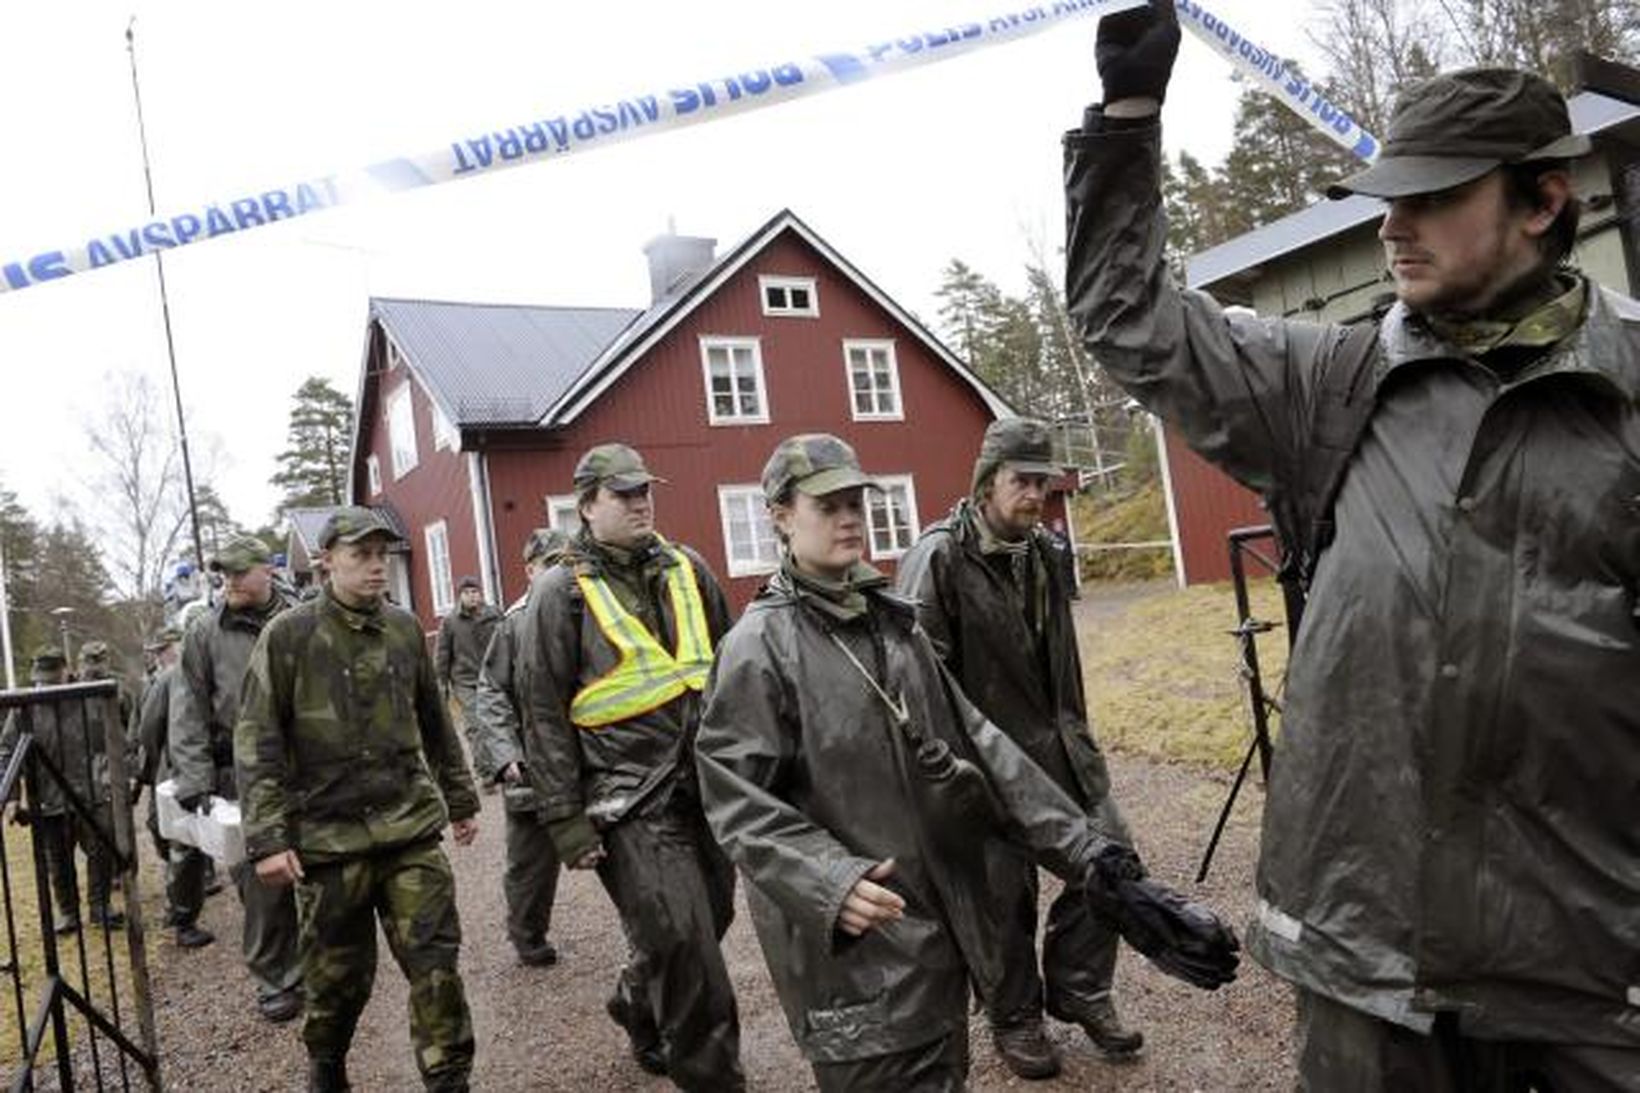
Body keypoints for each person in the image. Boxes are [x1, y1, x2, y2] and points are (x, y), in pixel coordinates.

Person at [1066, 4, 1640, 1087]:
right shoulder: (1318, 386)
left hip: (1592, 957)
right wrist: (1125, 119)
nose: (1390, 227)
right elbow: (1129, 317)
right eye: (1383, 199)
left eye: (1428, 197)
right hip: (1372, 956)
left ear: (1542, 199)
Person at [696, 434, 1239, 1092]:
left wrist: (1096, 863)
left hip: (933, 942)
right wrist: (828, 880)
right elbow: (734, 799)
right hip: (854, 963)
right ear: (780, 515)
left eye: (854, 502)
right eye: (826, 504)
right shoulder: (757, 648)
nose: (848, 517)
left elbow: (982, 745)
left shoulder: (891, 628)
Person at [896, 417, 1140, 1078]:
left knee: (1113, 859)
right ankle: (1014, 1014)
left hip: (1058, 749)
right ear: (984, 483)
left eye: (1042, 481)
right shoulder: (939, 558)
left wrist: (1081, 746)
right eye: (1021, 481)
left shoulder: (1044, 551)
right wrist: (962, 777)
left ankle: (1080, 986)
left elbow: (1062, 664)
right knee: (1003, 894)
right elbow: (922, 682)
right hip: (986, 765)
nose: (1035, 494)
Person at [517, 443, 742, 1090]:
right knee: (687, 946)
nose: (641, 500)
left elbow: (730, 669)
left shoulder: (688, 567)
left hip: (703, 784)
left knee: (711, 918)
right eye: (624, 492)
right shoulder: (560, 592)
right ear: (586, 506)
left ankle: (635, 1000)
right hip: (625, 800)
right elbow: (542, 708)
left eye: (645, 489)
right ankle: (713, 1077)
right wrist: (565, 819)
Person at [235, 506, 481, 1093]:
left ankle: (450, 1079)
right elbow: (258, 741)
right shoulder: (288, 637)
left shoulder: (403, 628)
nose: (376, 568)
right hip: (328, 840)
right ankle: (327, 1063)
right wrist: (268, 839)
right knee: (338, 981)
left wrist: (461, 797)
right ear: (327, 563)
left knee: (435, 963)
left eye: (381, 556)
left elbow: (434, 719)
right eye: (360, 556)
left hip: (408, 829)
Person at [171, 534, 304, 1021]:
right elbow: (188, 711)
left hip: (308, 765)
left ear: (266, 571)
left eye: (237, 572)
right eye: (222, 574)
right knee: (261, 881)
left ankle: (324, 964)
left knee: (323, 867)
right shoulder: (204, 633)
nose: (227, 581)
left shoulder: (300, 617)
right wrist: (194, 781)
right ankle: (278, 978)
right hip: (242, 772)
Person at [469, 528, 570, 967]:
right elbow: (491, 691)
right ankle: (528, 933)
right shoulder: (514, 622)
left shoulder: (591, 610)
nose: (561, 573)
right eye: (551, 565)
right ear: (530, 571)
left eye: (567, 562)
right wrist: (505, 752)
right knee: (531, 862)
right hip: (533, 763)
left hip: (591, 756)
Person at [0, 645, 120, 932]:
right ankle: (68, 912)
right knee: (58, 860)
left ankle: (100, 906)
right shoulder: (23, 709)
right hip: (48, 798)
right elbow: (7, 753)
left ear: (66, 671)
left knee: (100, 851)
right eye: (42, 679)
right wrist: (12, 796)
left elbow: (114, 738)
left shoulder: (88, 698)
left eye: (52, 678)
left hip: (90, 793)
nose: (47, 685)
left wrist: (113, 779)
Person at [131, 625, 214, 949]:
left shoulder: (187, 673)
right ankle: (182, 919)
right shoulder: (171, 678)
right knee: (183, 844)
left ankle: (184, 916)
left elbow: (149, 730)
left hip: (207, 767)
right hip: (183, 770)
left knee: (188, 845)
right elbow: (149, 729)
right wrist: (162, 762)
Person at [435, 575, 502, 740]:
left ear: (480, 594)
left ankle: (500, 763)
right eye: (466, 592)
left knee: (497, 720)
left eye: (475, 591)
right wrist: (441, 687)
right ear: (460, 597)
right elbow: (442, 656)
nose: (471, 595)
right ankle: (482, 765)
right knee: (475, 722)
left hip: (492, 677)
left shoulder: (494, 615)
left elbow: (506, 643)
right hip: (466, 681)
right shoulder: (450, 622)